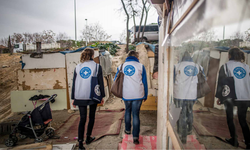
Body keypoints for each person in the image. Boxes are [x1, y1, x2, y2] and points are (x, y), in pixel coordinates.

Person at [216, 48, 250, 149]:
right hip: (245, 97)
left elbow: (221, 83)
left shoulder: (226, 66)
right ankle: (248, 142)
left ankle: (234, 140)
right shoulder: (247, 67)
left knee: (230, 118)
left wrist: (219, 97)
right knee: (242, 119)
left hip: (231, 96)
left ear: (230, 55)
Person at [71, 48, 105, 150]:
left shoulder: (78, 67)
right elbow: (100, 83)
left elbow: (74, 83)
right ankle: (88, 137)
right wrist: (102, 96)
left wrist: (74, 97)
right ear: (92, 55)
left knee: (82, 118)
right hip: (92, 95)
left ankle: (80, 142)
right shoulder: (97, 66)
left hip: (80, 95)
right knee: (91, 117)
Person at [114, 50, 148, 144]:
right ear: (136, 57)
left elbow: (115, 80)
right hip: (138, 94)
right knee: (136, 114)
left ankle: (127, 130)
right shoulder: (141, 66)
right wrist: (145, 95)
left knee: (127, 111)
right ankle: (136, 137)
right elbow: (144, 82)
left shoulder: (121, 66)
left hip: (126, 94)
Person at [173, 51, 204, 144]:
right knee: (189, 112)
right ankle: (189, 129)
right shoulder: (198, 66)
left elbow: (172, 80)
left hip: (179, 94)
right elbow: (204, 80)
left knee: (181, 114)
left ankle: (182, 134)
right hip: (192, 95)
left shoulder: (176, 66)